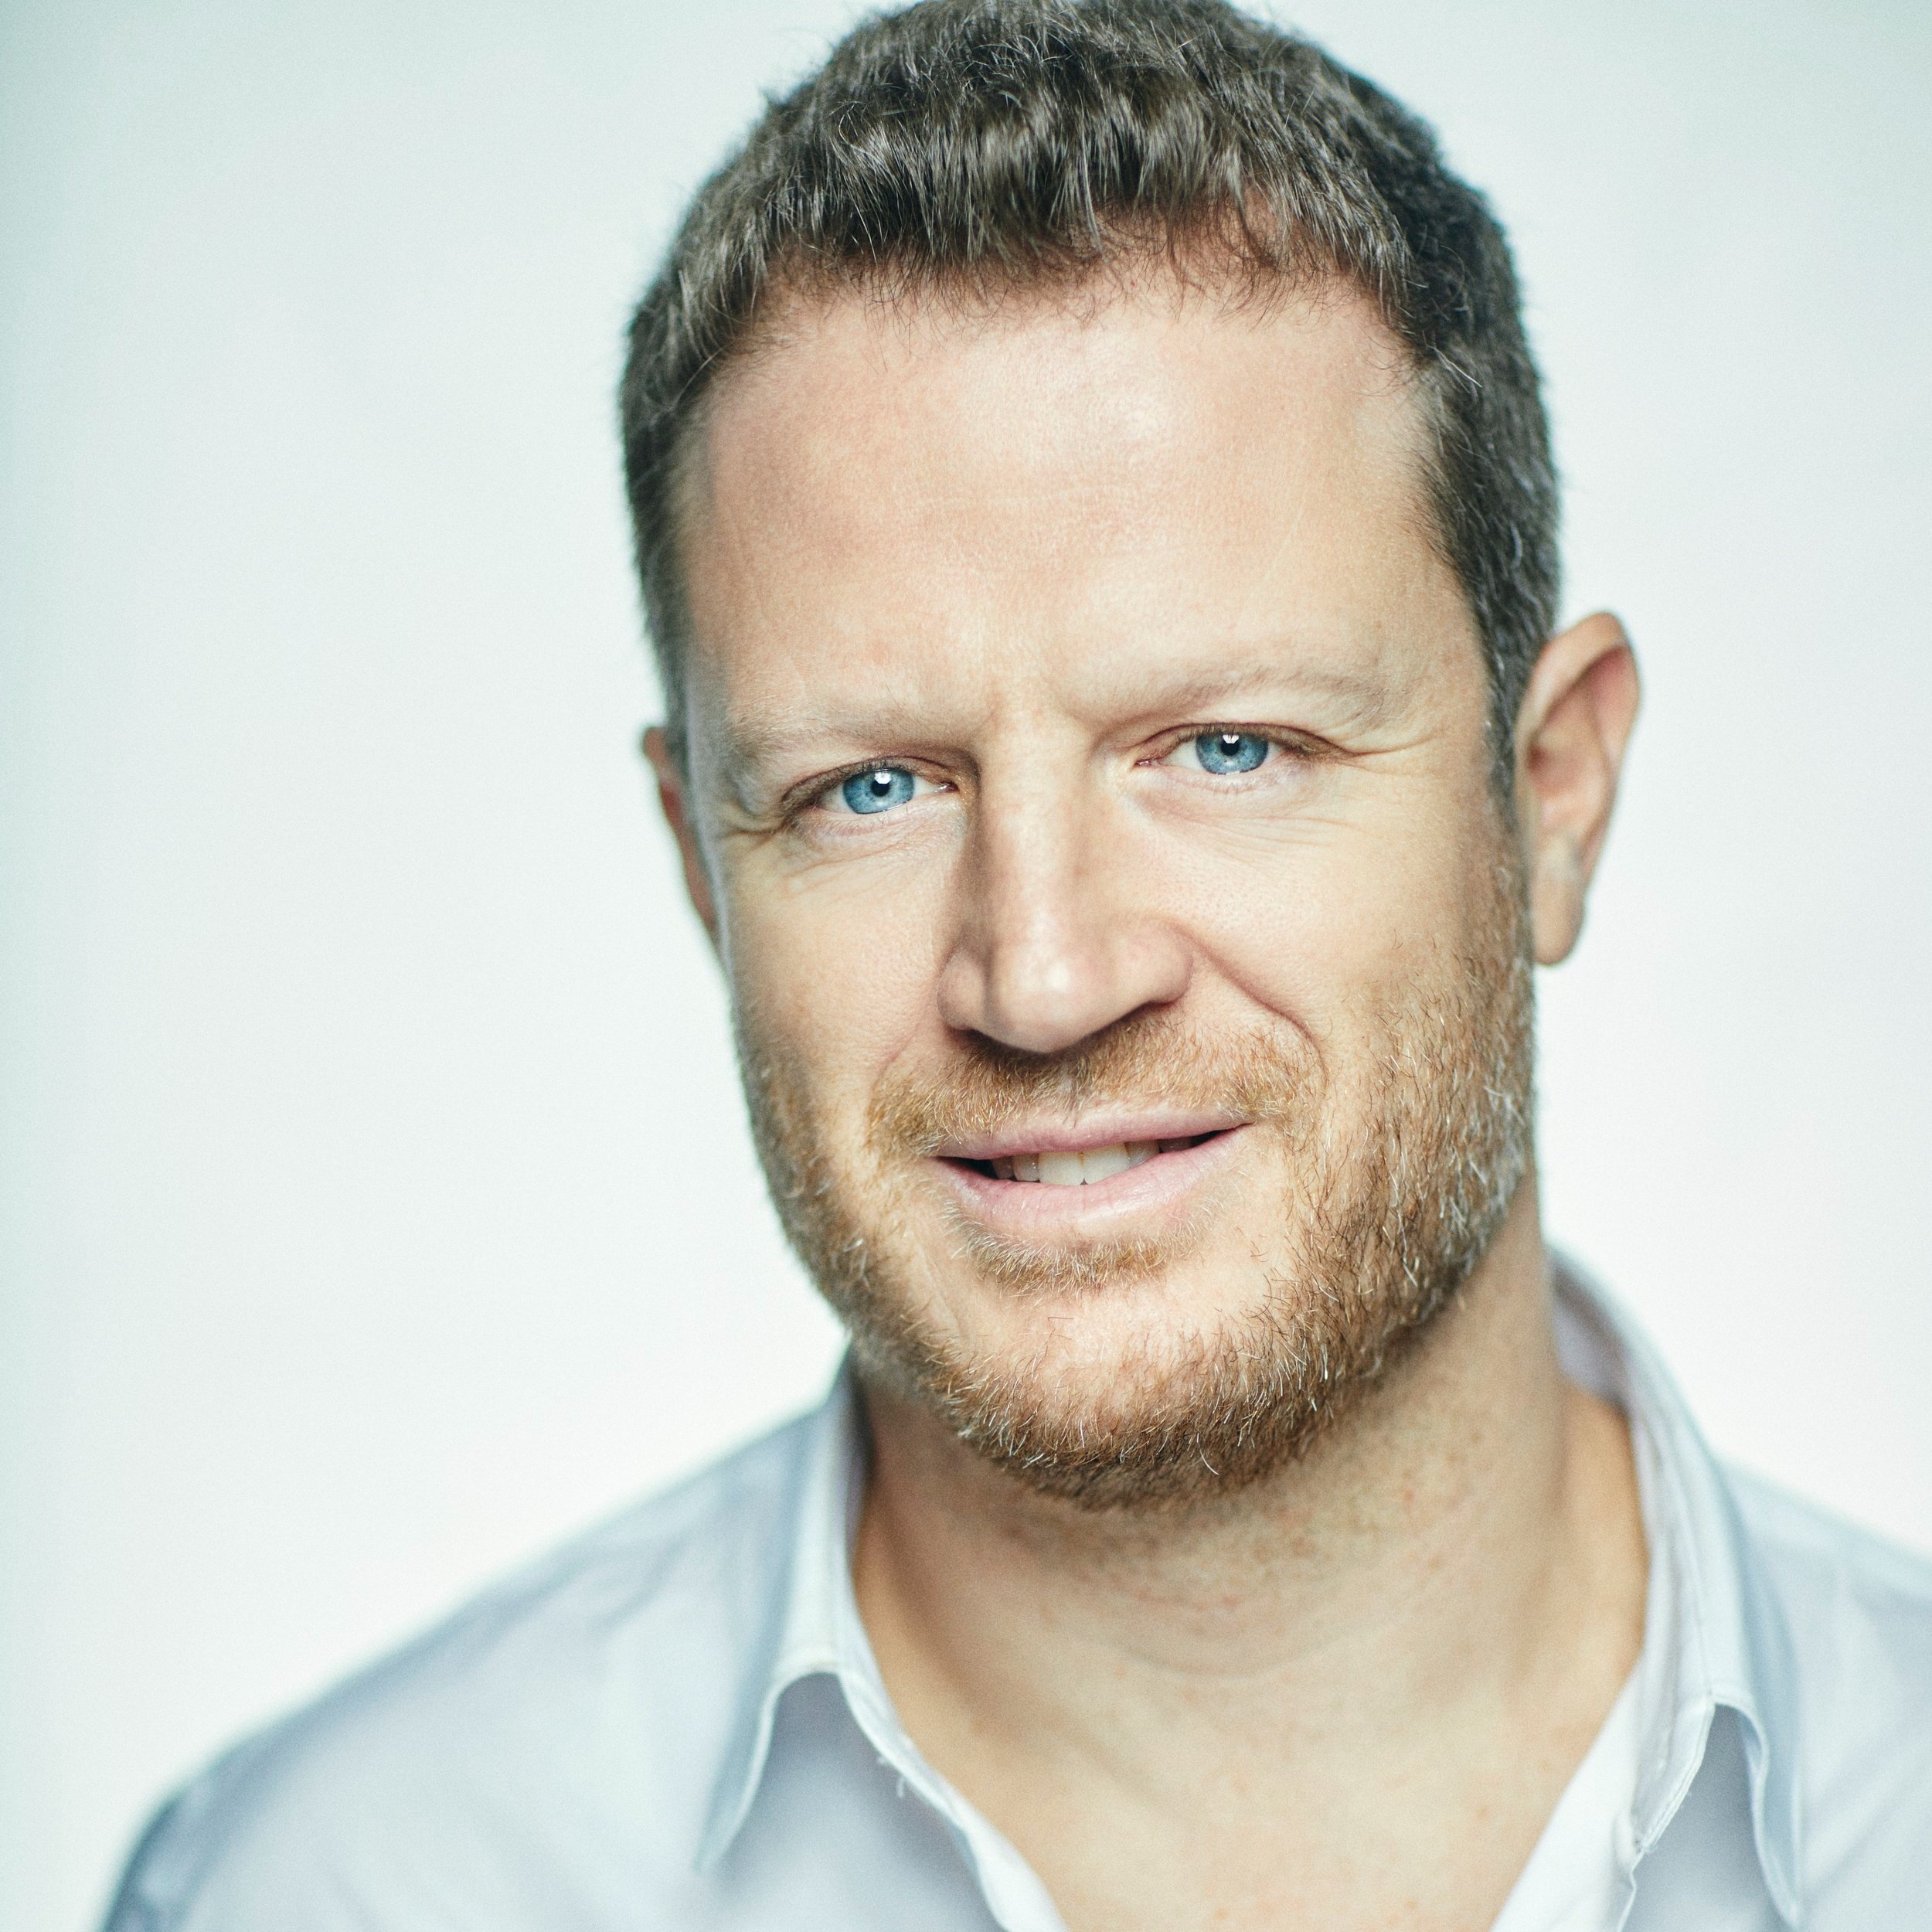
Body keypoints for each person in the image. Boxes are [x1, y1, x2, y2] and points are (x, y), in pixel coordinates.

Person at [104, 3, 1932, 1927]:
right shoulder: (332, 1884)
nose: (1041, 975)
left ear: (1548, 793)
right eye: (868, 788)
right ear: (701, 865)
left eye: (1227, 747)